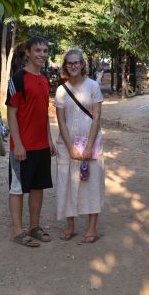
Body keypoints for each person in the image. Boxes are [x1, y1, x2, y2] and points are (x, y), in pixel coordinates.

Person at [6, 36, 56, 247]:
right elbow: (11, 113)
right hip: (22, 146)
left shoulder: (44, 80)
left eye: (45, 51)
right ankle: (18, 232)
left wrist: (50, 139)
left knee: (38, 187)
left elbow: (43, 113)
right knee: (17, 189)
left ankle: (34, 227)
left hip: (42, 145)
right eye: (38, 50)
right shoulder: (17, 80)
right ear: (28, 53)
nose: (42, 55)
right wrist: (18, 143)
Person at [55, 49, 105, 243]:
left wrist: (88, 146)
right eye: (70, 63)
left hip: (91, 142)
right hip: (67, 145)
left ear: (82, 64)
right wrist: (70, 148)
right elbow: (61, 121)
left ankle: (92, 228)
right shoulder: (61, 90)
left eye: (77, 62)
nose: (74, 66)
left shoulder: (93, 86)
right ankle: (70, 225)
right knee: (67, 183)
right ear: (65, 66)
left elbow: (97, 117)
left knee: (92, 183)